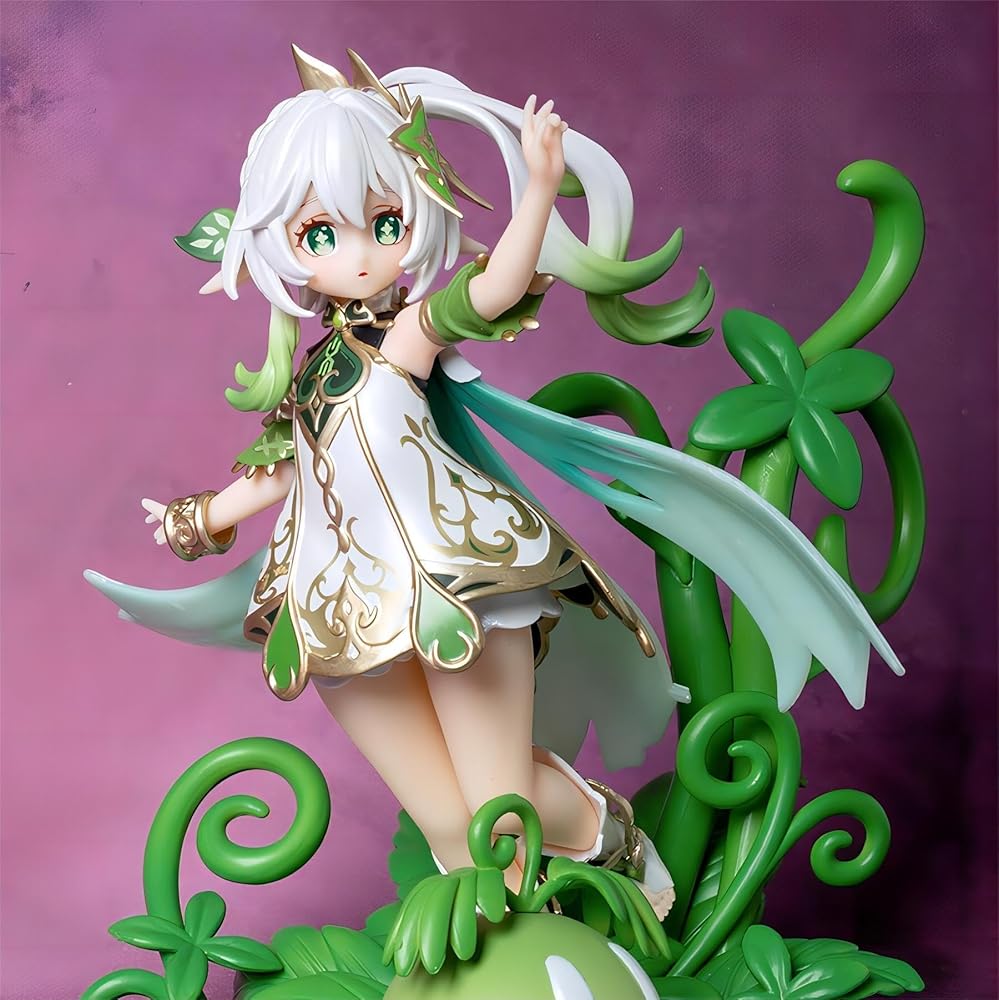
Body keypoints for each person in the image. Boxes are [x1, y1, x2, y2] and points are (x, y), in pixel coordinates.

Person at [86, 47, 903, 917]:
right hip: (337, 607)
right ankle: (516, 938)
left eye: (384, 222)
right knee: (448, 824)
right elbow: (286, 470)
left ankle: (603, 838)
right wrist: (199, 519)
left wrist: (540, 187)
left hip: (455, 581)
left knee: (495, 810)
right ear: (279, 241)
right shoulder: (313, 372)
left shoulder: (403, 335)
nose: (357, 255)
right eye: (321, 234)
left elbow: (495, 288)